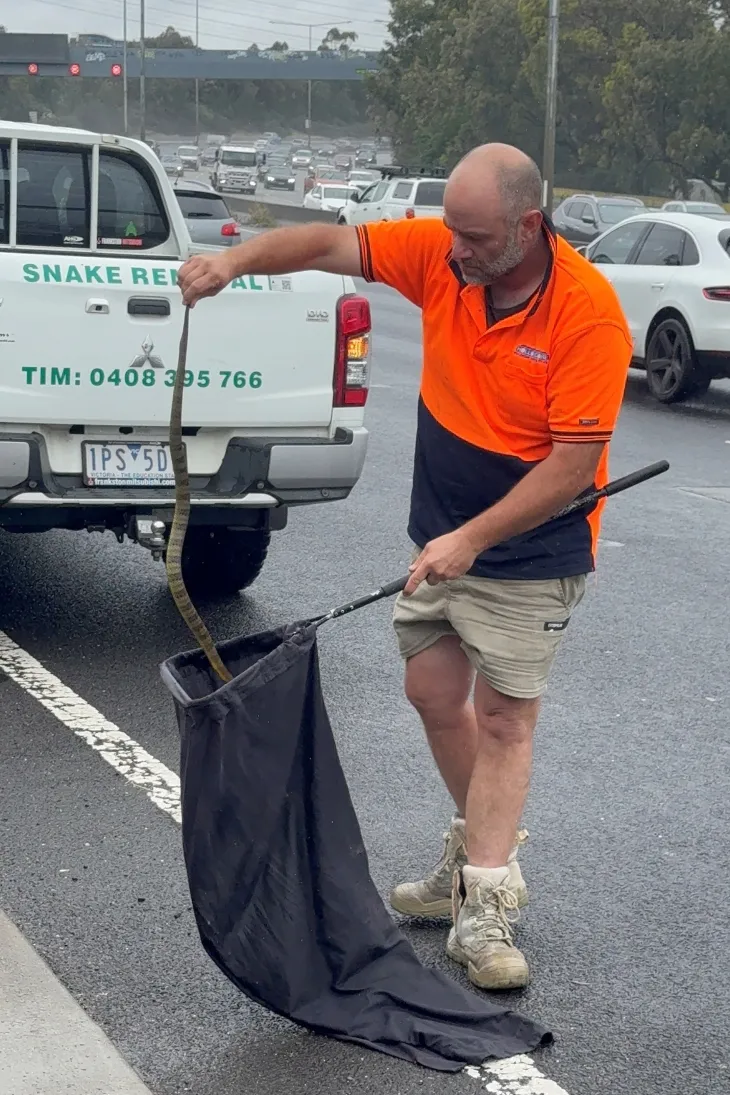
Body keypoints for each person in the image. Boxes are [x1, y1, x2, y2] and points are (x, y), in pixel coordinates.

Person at [177, 143, 632, 991]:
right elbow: (322, 246)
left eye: (474, 234)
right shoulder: (444, 257)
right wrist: (233, 262)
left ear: (529, 227)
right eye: (451, 230)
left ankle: (489, 907)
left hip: (531, 552)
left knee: (502, 721)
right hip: (443, 538)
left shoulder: (587, 315)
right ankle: (470, 861)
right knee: (430, 694)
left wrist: (473, 540)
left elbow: (573, 465)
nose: (453, 248)